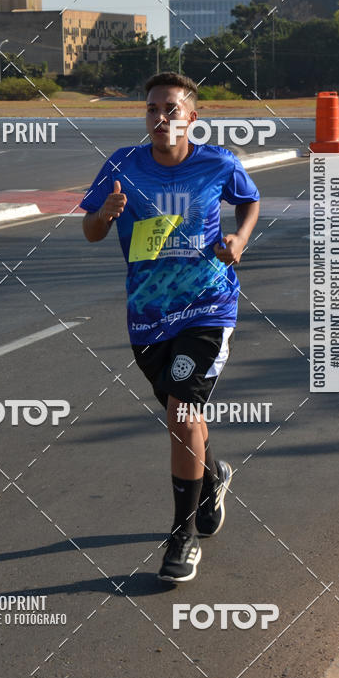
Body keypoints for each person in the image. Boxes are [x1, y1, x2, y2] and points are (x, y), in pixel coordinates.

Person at [81, 72, 260, 582]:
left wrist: (240, 240)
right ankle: (213, 476)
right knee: (186, 416)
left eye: (172, 110)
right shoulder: (122, 166)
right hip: (148, 316)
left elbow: (250, 200)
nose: (161, 118)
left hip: (209, 306)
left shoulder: (217, 162)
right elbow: (92, 231)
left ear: (191, 118)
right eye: (153, 109)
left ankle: (181, 537)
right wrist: (107, 213)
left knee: (182, 412)